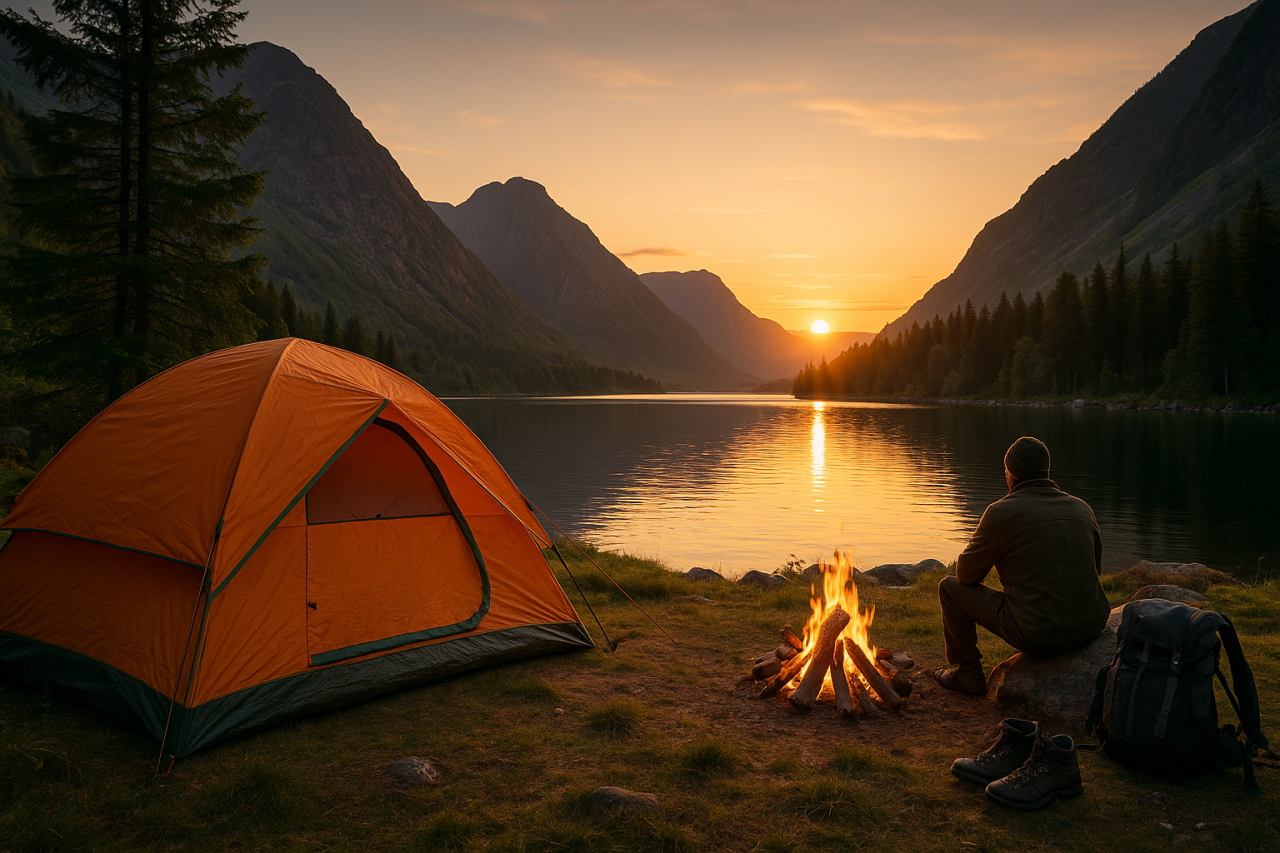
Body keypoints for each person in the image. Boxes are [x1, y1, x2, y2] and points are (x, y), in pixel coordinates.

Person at [932, 436, 1111, 695]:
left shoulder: (1000, 513)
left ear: (1011, 474)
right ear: (1046, 471)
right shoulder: (1082, 508)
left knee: (949, 587)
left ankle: (968, 673)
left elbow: (966, 574)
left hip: (1038, 634)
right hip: (1091, 625)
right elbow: (1095, 568)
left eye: (1005, 470)